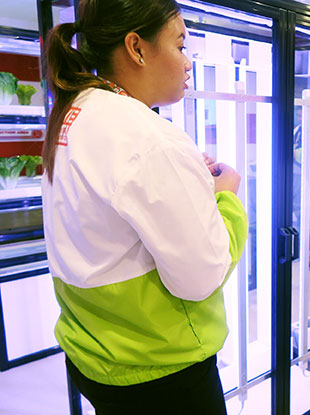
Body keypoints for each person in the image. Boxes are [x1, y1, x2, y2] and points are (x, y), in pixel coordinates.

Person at [41, 1, 248, 413]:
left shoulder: (75, 111)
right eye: (180, 44)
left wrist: (185, 182)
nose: (188, 62)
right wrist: (226, 195)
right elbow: (201, 275)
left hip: (98, 355)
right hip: (160, 370)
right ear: (137, 47)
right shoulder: (149, 138)